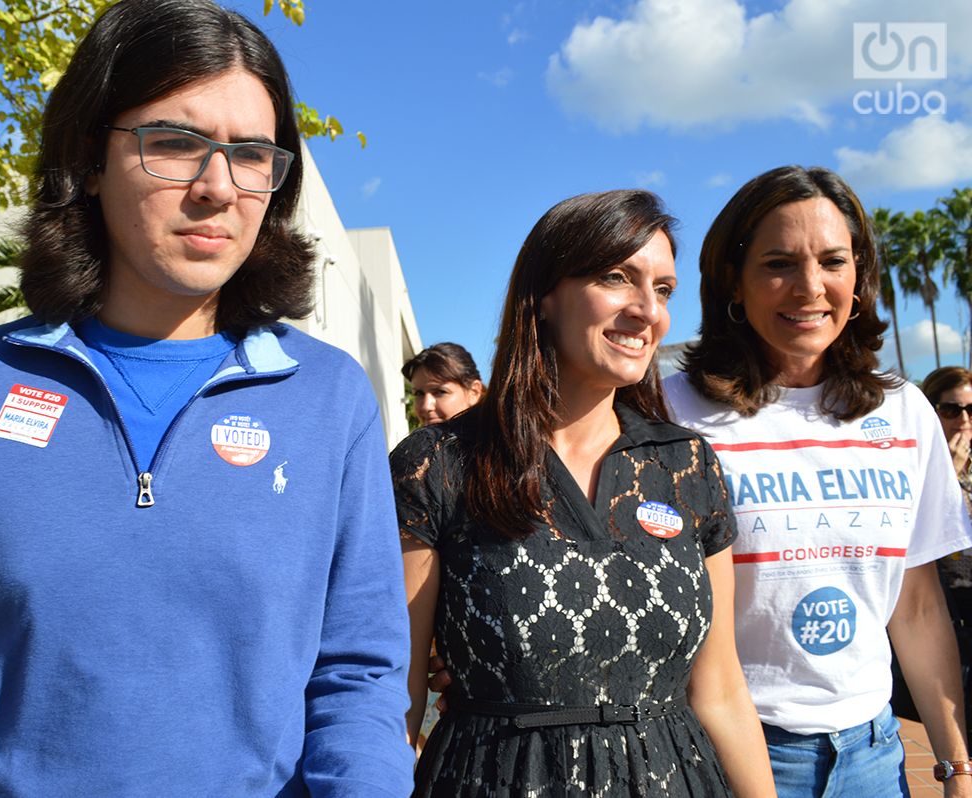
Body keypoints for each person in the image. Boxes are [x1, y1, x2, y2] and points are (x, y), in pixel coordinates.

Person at [0, 2, 414, 795]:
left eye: (252, 155)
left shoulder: (329, 398)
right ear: (89, 160)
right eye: (174, 142)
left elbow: (356, 675)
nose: (218, 187)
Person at [392, 190, 776, 796]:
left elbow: (721, 687)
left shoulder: (687, 465)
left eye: (665, 289)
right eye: (617, 278)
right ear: (544, 297)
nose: (647, 310)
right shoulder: (437, 464)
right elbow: (399, 693)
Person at [666, 166, 972, 795]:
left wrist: (955, 765)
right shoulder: (668, 412)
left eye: (833, 261)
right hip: (723, 758)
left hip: (875, 757)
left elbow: (914, 606)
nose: (810, 288)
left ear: (858, 277)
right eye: (778, 263)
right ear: (733, 279)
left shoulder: (906, 411)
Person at [921, 366, 972, 732]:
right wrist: (949, 476)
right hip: (942, 620)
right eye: (952, 410)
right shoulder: (914, 464)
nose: (965, 421)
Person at [402, 342, 485, 426]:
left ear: (474, 392)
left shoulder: (494, 437)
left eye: (440, 392)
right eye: (419, 394)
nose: (426, 406)